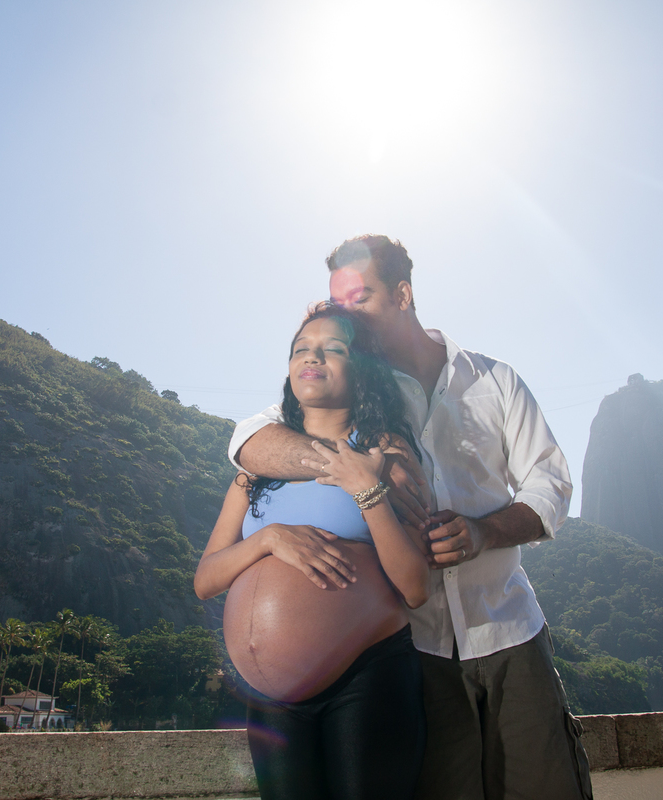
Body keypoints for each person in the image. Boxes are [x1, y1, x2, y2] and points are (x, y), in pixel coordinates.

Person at [229, 235, 592, 800]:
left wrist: (482, 532)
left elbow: (551, 483)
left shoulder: (494, 380)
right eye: (336, 300)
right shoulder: (351, 385)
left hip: (507, 627)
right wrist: (361, 469)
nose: (347, 313)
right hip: (412, 651)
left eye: (360, 297)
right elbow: (250, 440)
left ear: (403, 294)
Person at [194, 302, 431, 800]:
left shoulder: (386, 458)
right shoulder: (256, 466)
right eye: (302, 348)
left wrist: (368, 491)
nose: (313, 357)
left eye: (333, 349)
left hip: (366, 677)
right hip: (271, 698)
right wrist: (268, 539)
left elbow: (414, 588)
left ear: (361, 368)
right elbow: (206, 579)